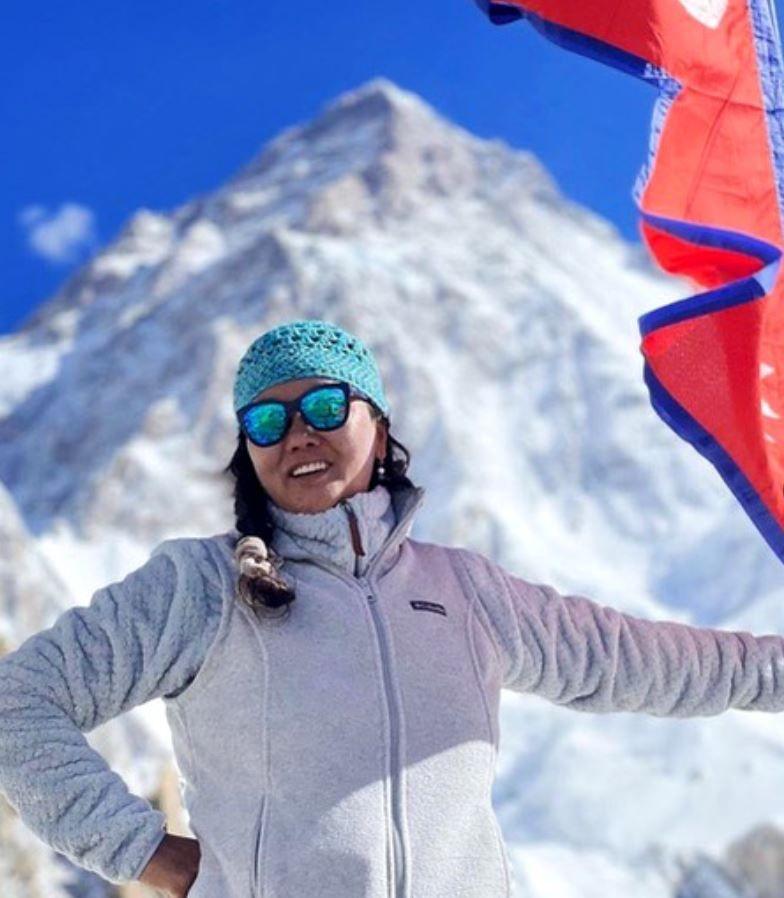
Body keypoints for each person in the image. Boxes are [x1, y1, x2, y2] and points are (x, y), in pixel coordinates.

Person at [1, 317, 784, 898]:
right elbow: (18, 703)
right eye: (267, 422)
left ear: (378, 429)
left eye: (326, 407)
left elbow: (640, 662)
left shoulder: (465, 591)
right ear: (249, 452)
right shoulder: (201, 585)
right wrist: (148, 855)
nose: (298, 432)